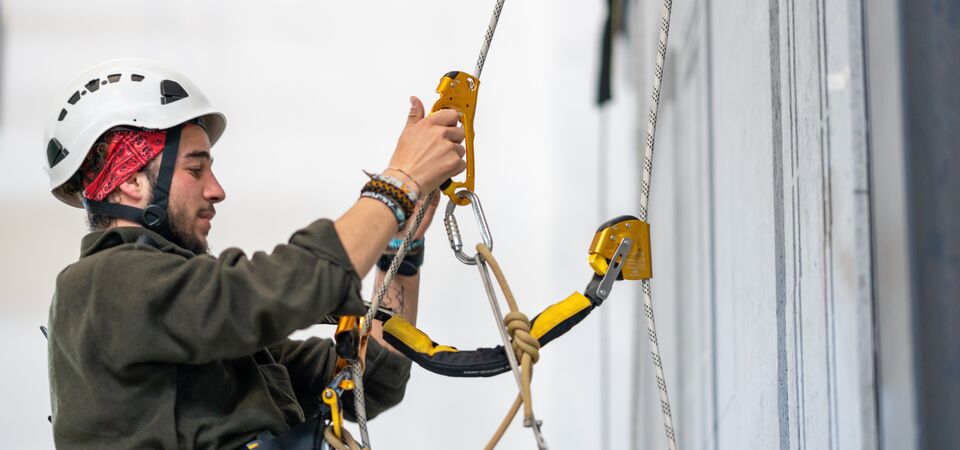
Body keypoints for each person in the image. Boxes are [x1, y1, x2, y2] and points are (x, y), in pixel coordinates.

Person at [42, 58, 466, 449]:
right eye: (195, 169)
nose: (217, 190)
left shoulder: (199, 327)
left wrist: (399, 246)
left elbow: (368, 378)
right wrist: (400, 183)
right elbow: (270, 291)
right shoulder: (102, 284)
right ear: (130, 181)